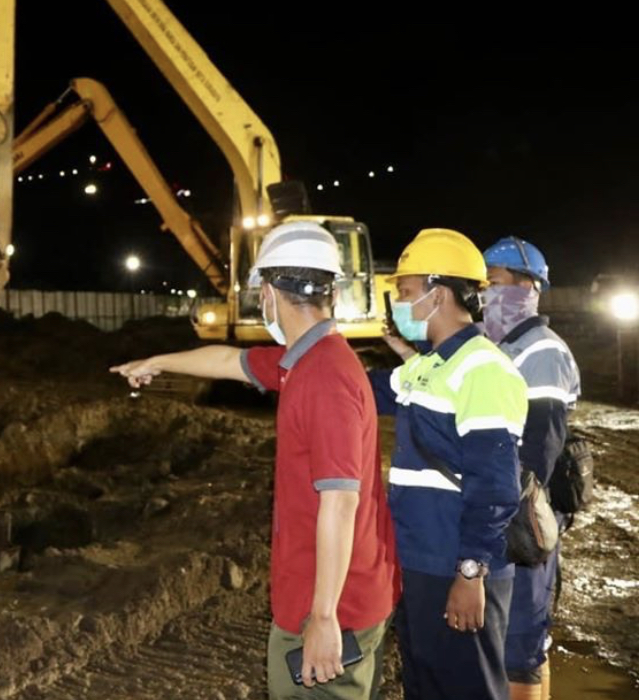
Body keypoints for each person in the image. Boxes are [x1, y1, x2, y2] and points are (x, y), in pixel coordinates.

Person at [112, 221, 398, 698]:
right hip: (334, 596)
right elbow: (228, 362)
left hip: (331, 609)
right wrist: (156, 361)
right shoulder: (306, 360)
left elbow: (340, 503)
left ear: (268, 291)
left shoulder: (324, 378)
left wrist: (324, 617)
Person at [371, 229, 526, 700]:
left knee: (467, 688)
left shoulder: (484, 369)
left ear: (437, 294)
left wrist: (470, 572)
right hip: (421, 560)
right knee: (425, 684)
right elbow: (365, 390)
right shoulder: (426, 365)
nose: (397, 303)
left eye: (404, 291)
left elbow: (495, 484)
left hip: (455, 566)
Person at [481, 237, 580, 700]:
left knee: (521, 641)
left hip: (525, 508)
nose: (486, 295)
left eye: (495, 284)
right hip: (506, 501)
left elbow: (540, 446)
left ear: (528, 289)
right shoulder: (498, 344)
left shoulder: (541, 350)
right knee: (507, 638)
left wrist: (510, 516)